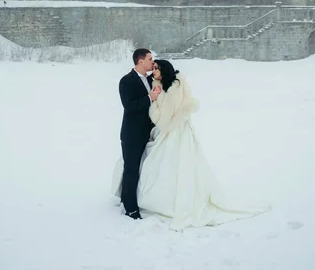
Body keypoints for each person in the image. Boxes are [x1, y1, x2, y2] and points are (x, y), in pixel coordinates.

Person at [113, 58, 270, 229]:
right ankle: (131, 201)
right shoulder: (152, 82)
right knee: (144, 166)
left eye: (156, 67)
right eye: (151, 62)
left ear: (163, 70)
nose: (153, 69)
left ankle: (169, 202)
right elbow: (135, 105)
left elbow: (164, 118)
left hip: (175, 132)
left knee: (176, 167)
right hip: (153, 132)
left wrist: (154, 104)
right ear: (141, 61)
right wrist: (153, 98)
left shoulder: (172, 86)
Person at [117, 48, 161, 219]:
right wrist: (150, 98)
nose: (153, 61)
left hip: (148, 134)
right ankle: (130, 208)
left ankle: (134, 199)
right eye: (150, 58)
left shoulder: (151, 79)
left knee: (144, 169)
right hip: (132, 135)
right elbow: (129, 105)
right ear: (140, 61)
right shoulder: (126, 81)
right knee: (131, 170)